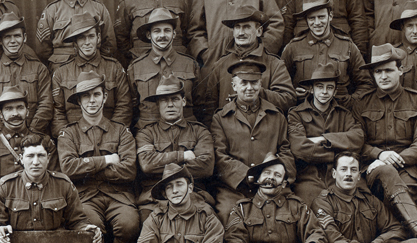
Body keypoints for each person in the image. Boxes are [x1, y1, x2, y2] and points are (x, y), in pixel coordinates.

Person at [353, 44, 417, 243]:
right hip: (372, 169)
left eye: (388, 70)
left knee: (397, 189)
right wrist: (379, 155)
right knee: (386, 179)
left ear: (400, 70)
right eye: (378, 72)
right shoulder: (360, 103)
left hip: (410, 169)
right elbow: (356, 141)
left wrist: (394, 159)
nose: (383, 76)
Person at [57, 71, 139, 243]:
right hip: (84, 197)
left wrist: (88, 166)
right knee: (91, 230)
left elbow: (129, 170)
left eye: (96, 95)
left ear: (104, 98)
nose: (92, 101)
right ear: (79, 102)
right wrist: (108, 160)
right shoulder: (68, 133)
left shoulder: (121, 131)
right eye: (86, 97)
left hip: (118, 196)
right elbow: (69, 168)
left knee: (129, 224)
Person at [0, 134, 102, 243]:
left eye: (41, 155)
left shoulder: (63, 184)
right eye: (30, 156)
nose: (36, 162)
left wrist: (86, 229)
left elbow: (77, 220)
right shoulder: (6, 186)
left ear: (48, 159)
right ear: (21, 159)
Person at [210, 60, 295, 225]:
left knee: (288, 214)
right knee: (228, 214)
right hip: (235, 188)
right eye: (244, 83)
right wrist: (247, 175)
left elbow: (286, 151)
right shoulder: (221, 118)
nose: (249, 88)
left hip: (272, 185)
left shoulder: (276, 116)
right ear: (234, 85)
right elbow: (219, 156)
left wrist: (273, 176)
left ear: (261, 84)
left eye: (254, 82)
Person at [135, 76, 215, 223]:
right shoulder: (146, 133)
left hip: (194, 194)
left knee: (206, 217)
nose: (170, 105)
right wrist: (183, 156)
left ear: (183, 102)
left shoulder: (199, 131)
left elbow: (206, 167)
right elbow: (147, 164)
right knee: (144, 224)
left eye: (175, 99)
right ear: (158, 104)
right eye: (164, 100)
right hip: (155, 197)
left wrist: (161, 161)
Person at [194, 6, 295, 121]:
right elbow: (209, 107)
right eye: (237, 27)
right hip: (227, 133)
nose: (241, 33)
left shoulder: (274, 64)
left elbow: (288, 99)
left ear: (259, 31)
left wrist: (255, 92)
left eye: (246, 27)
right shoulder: (220, 65)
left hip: (263, 131)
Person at [0, 87, 59, 213]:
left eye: (20, 108)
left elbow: (54, 178)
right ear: (0, 114)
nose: (15, 113)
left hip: (37, 206)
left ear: (27, 111)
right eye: (8, 109)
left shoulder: (44, 141)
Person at [287, 64, 365, 206]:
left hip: (340, 175)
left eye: (329, 87)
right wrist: (339, 152)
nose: (324, 92)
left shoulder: (344, 114)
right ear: (311, 89)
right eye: (319, 86)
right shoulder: (296, 114)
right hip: (309, 176)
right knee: (306, 206)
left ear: (335, 91)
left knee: (361, 202)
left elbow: (358, 138)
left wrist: (323, 139)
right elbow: (299, 148)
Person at [281, 0, 370, 109]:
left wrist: (350, 102)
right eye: (312, 18)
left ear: (330, 16)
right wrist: (293, 96)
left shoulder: (347, 46)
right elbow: (281, 87)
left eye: (321, 17)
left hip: (340, 116)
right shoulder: (293, 47)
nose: (317, 23)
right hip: (304, 115)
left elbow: (366, 84)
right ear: (306, 20)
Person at [51, 12, 132, 136]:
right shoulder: (61, 73)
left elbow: (124, 106)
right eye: (82, 38)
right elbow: (58, 113)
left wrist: (112, 135)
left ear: (98, 38)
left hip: (110, 137)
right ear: (75, 42)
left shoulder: (114, 68)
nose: (87, 42)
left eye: (91, 36)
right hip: (74, 139)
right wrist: (68, 138)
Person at [0, 13, 53, 135]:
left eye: (17, 36)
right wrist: (4, 132)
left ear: (25, 38)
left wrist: (31, 132)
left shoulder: (39, 69)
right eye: (7, 37)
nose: (13, 41)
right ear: (0, 40)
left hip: (33, 136)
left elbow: (46, 105)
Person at [128, 8, 197, 130]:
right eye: (157, 31)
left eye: (167, 30)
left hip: (186, 131)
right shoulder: (136, 67)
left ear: (174, 34)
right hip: (148, 132)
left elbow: (201, 103)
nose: (162, 36)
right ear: (149, 35)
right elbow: (131, 107)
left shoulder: (190, 64)